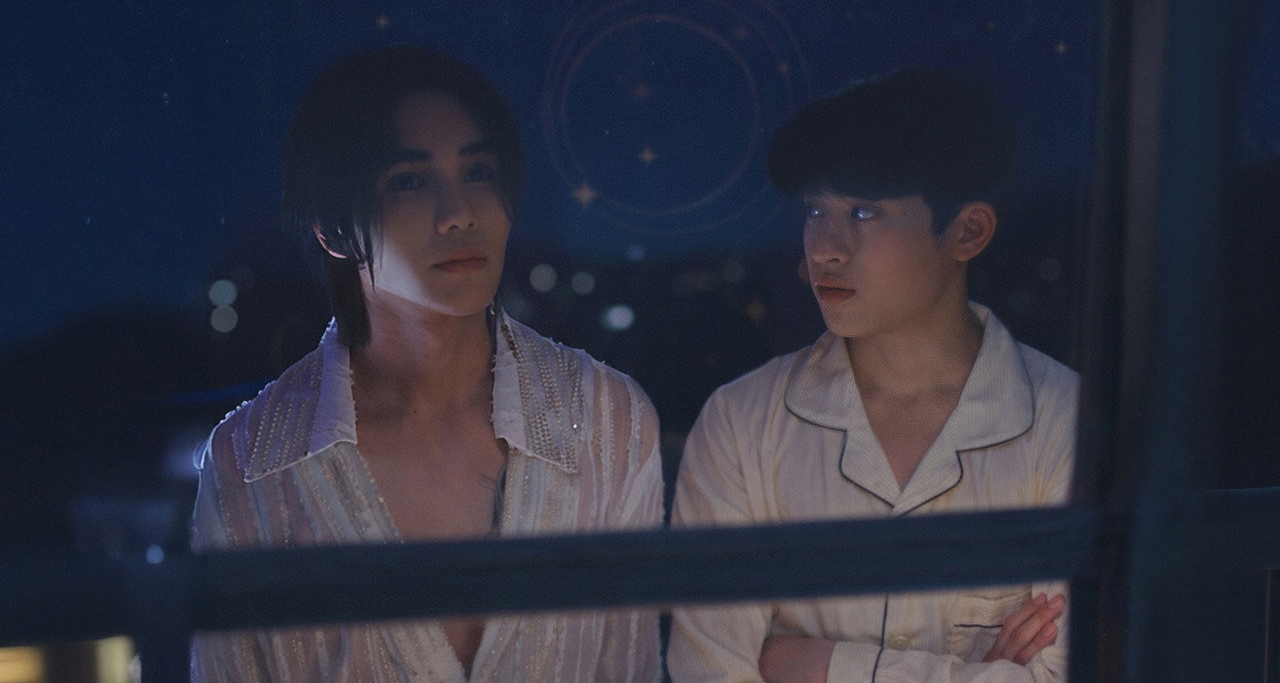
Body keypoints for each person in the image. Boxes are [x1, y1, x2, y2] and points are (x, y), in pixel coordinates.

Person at [189, 45, 664, 682]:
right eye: (408, 181)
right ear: (332, 226)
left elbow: (630, 668)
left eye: (479, 172)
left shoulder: (607, 417)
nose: (459, 212)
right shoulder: (251, 461)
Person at [667, 70, 1077, 683]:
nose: (824, 248)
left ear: (967, 231)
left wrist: (818, 664)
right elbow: (709, 673)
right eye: (814, 210)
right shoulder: (742, 423)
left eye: (864, 211)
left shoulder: (1064, 421)